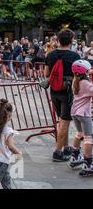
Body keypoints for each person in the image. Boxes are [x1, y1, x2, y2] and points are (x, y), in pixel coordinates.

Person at [45, 29, 81, 162]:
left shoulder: (51, 55)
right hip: (68, 92)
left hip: (54, 91)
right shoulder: (75, 57)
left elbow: (46, 74)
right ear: (71, 41)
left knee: (62, 120)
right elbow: (78, 76)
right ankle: (58, 152)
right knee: (64, 122)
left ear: (58, 40)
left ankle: (66, 148)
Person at [67, 60, 93, 177]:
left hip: (74, 112)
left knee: (79, 133)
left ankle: (74, 156)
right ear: (85, 72)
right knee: (88, 138)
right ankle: (88, 163)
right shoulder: (87, 84)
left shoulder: (75, 80)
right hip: (84, 114)